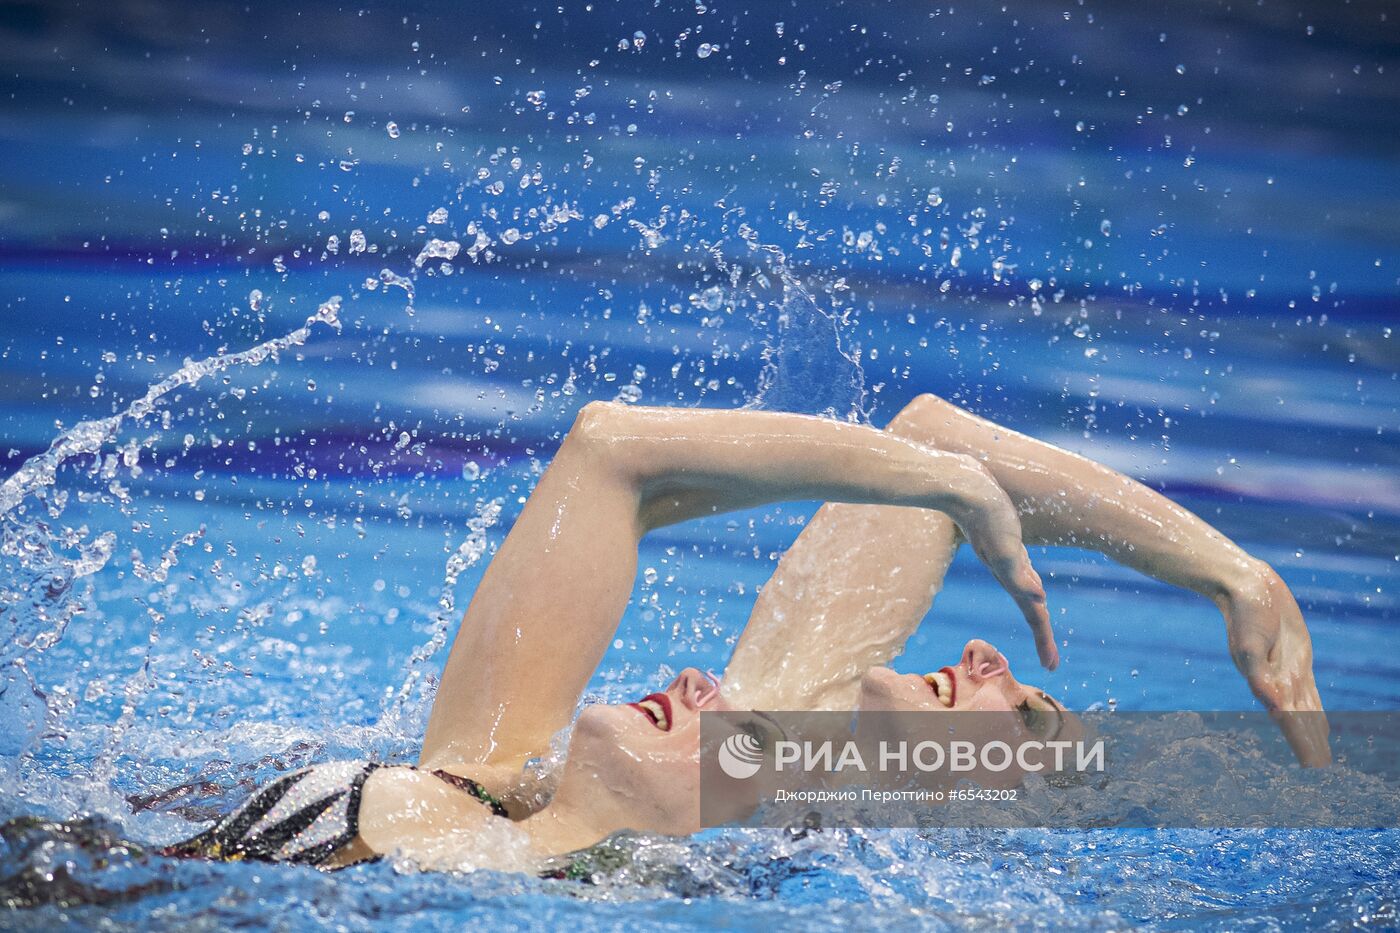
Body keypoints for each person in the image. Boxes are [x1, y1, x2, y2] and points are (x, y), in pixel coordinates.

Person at [160, 395, 1327, 873]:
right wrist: (1230, 571)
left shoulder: (761, 800)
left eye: (1015, 705)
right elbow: (614, 450)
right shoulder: (473, 781)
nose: (983, 657)